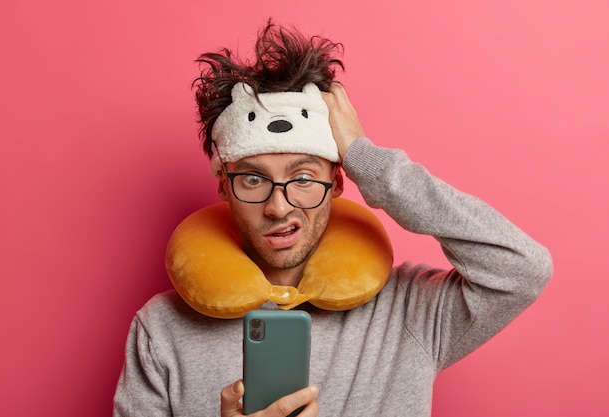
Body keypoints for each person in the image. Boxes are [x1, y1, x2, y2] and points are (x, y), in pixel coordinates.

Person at [113, 21, 552, 417]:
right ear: (224, 187)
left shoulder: (409, 312)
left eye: (304, 177)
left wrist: (368, 159)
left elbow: (522, 269)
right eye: (252, 179)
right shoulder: (162, 331)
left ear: (339, 181)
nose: (279, 207)